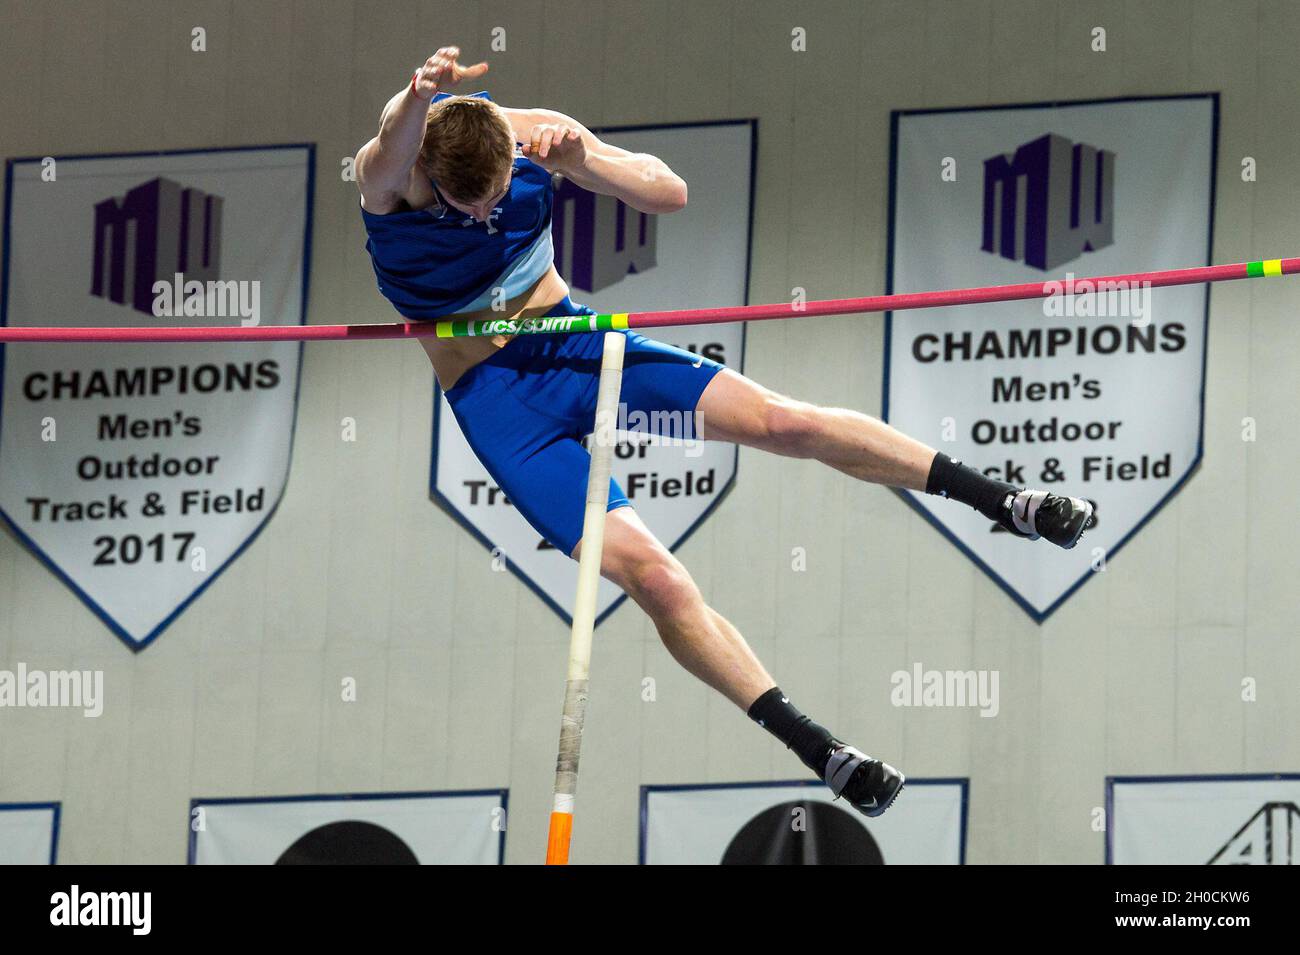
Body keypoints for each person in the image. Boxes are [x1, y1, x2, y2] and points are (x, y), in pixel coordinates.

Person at [354, 46, 1093, 817]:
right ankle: (823, 750)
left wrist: (584, 164)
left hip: (582, 352)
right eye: (465, 205)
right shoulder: (391, 179)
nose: (482, 215)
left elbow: (667, 192)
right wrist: (417, 93)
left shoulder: (532, 135)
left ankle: (1006, 501)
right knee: (658, 580)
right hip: (502, 407)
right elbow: (391, 141)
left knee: (783, 421)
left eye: (496, 197)